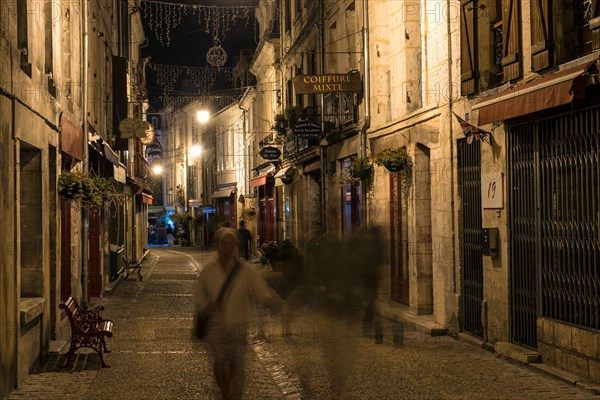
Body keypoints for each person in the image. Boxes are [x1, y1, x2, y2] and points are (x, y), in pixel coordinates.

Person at [193, 227, 283, 400]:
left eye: (231, 243)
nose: (228, 246)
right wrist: (206, 305)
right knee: (219, 361)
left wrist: (270, 301)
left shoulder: (245, 270)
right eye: (224, 243)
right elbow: (198, 293)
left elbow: (260, 289)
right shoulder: (209, 270)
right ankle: (226, 393)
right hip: (215, 324)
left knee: (236, 363)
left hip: (238, 324)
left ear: (236, 246)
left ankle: (235, 394)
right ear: (219, 246)